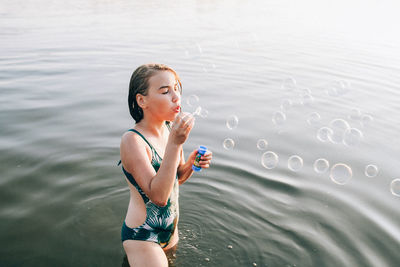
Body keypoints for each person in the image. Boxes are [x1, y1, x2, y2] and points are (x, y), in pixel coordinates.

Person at [119, 63, 213, 266]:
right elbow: (159, 196)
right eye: (165, 91)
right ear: (142, 100)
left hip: (170, 232)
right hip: (142, 236)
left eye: (176, 89)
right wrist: (175, 143)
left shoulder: (170, 129)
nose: (176, 96)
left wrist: (190, 164)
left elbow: (176, 178)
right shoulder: (132, 140)